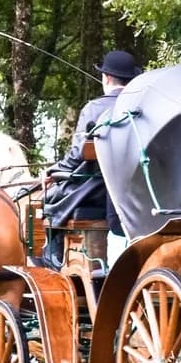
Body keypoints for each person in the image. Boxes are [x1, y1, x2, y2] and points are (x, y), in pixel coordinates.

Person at [42, 50, 141, 268]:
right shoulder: (142, 107)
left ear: (106, 78)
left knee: (47, 198)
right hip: (136, 191)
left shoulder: (94, 108)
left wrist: (53, 171)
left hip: (95, 191)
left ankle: (54, 253)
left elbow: (77, 155)